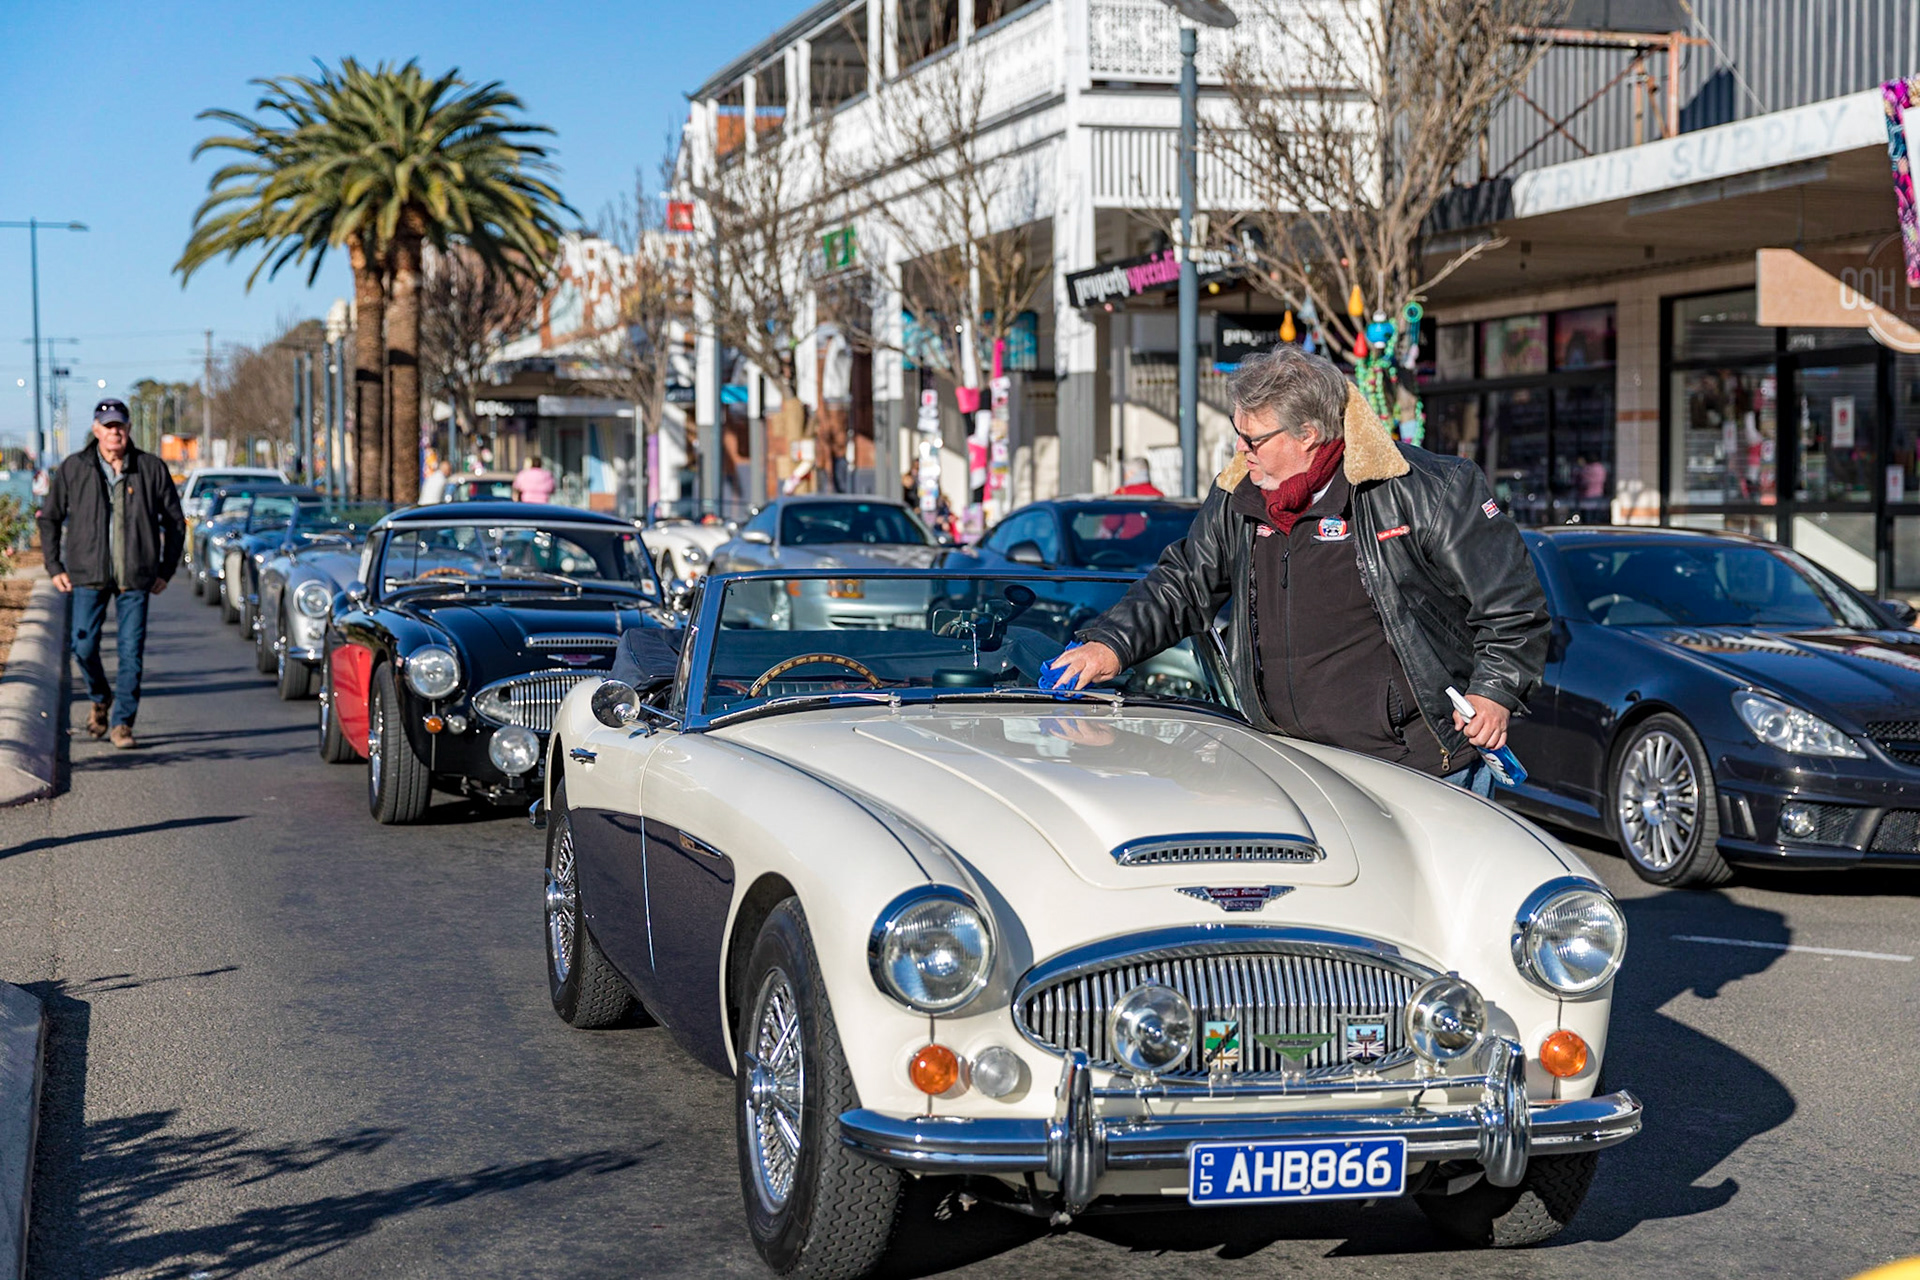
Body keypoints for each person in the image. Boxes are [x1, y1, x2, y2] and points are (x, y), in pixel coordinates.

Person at [1048, 346, 1549, 795]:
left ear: (1308, 435)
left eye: (1254, 438)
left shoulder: (1425, 490)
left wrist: (1494, 691)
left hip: (1416, 767)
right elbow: (1184, 581)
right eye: (1238, 434)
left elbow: (1513, 606)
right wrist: (1111, 641)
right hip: (1288, 765)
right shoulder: (1239, 496)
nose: (1241, 450)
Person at [38, 399, 186, 749]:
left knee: (131, 652)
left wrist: (166, 569)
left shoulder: (150, 468)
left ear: (128, 429)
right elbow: (50, 519)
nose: (114, 432)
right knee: (83, 646)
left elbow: (176, 522)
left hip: (136, 578)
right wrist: (54, 566)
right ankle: (100, 696)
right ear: (96, 430)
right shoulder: (75, 468)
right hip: (87, 575)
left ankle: (122, 724)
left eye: (119, 425)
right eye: (107, 426)